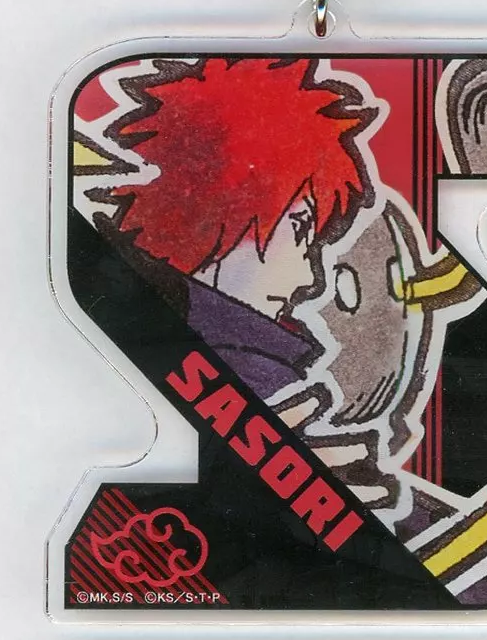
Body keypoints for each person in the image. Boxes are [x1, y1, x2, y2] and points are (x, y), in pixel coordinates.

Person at [96, 56, 378, 398]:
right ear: (211, 222)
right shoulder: (253, 371)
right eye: (299, 231)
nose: (310, 281)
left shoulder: (126, 345)